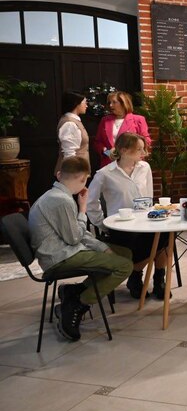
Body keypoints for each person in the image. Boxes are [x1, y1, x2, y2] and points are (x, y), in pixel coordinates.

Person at [28, 156, 133, 342]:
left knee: (125, 254)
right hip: (59, 258)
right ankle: (78, 304)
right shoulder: (61, 201)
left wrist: (102, 247)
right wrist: (82, 210)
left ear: (59, 175)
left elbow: (76, 234)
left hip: (63, 250)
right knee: (125, 266)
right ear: (83, 179)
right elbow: (75, 237)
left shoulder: (55, 195)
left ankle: (75, 291)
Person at [87, 132, 171, 299]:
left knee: (166, 234)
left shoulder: (144, 168)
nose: (144, 153)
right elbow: (90, 202)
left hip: (144, 222)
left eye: (143, 149)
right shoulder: (105, 173)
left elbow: (149, 197)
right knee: (156, 240)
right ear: (124, 150)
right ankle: (135, 277)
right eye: (139, 149)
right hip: (121, 227)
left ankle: (158, 279)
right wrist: (102, 224)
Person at [93, 91, 152, 168]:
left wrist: (131, 149)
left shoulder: (138, 119)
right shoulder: (105, 120)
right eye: (109, 102)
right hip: (109, 164)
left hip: (132, 163)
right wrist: (107, 152)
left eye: (114, 102)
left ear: (124, 103)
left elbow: (146, 140)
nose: (111, 105)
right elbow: (98, 142)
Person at [55, 91, 90, 176]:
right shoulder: (69, 123)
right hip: (73, 172)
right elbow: (69, 153)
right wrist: (73, 174)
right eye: (84, 103)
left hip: (79, 170)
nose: (86, 106)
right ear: (76, 104)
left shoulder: (74, 121)